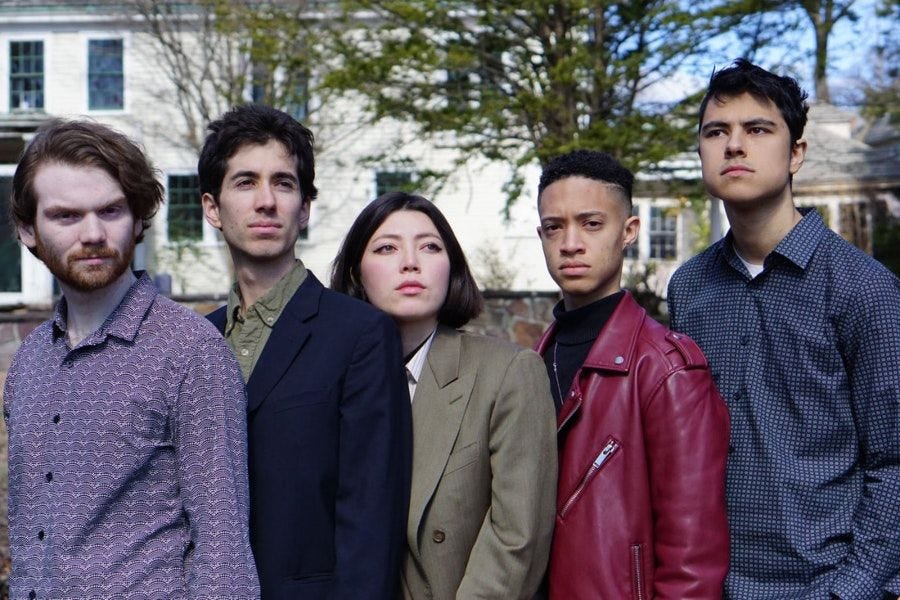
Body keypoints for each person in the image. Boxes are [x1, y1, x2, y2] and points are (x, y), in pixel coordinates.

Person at [667, 59, 900, 599]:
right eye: (716, 132)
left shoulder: (865, 290)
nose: (734, 145)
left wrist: (851, 590)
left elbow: (893, 462)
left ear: (796, 153)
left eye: (757, 129)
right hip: (706, 584)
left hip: (822, 584)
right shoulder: (689, 288)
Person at [3, 119, 259, 599]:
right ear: (27, 229)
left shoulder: (189, 350)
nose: (93, 233)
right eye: (65, 216)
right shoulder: (29, 362)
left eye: (111, 210)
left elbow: (222, 546)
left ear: (138, 219)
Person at [198, 104, 411, 600]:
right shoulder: (195, 341)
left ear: (305, 208)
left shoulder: (359, 334)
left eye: (284, 183)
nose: (266, 201)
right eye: (246, 182)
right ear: (212, 208)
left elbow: (371, 516)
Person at [331, 192, 557, 600]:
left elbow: (517, 539)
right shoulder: (330, 380)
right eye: (387, 248)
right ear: (355, 274)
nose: (410, 262)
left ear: (451, 266)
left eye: (430, 247)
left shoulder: (507, 372)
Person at [534, 149, 730, 599]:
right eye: (554, 227)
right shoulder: (533, 360)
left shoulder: (667, 369)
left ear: (629, 231)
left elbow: (693, 560)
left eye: (591, 224)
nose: (570, 243)